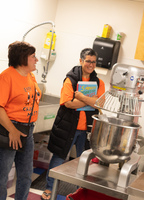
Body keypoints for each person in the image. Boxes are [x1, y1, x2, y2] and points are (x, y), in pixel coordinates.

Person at [41, 48, 105, 200]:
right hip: (68, 127)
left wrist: (82, 96)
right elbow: (68, 103)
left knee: (85, 163)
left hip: (88, 129)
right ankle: (50, 188)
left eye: (93, 61)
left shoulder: (99, 82)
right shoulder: (70, 79)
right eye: (88, 61)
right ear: (81, 60)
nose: (91, 64)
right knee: (59, 158)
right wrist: (91, 100)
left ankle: (80, 193)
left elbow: (100, 104)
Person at [0, 41, 41, 200]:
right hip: (10, 130)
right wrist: (13, 131)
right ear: (23, 58)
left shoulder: (31, 76)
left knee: (26, 175)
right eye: (33, 57)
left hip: (28, 131)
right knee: (2, 176)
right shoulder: (6, 77)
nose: (36, 60)